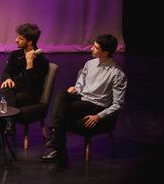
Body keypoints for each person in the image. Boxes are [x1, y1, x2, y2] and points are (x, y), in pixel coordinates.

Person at [41, 34, 126, 163]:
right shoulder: (90, 64)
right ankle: (56, 136)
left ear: (105, 52)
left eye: (96, 47)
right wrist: (76, 89)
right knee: (62, 94)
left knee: (65, 110)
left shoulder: (117, 74)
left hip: (96, 105)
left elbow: (118, 104)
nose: (91, 49)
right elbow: (80, 84)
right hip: (82, 99)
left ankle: (58, 147)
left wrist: (99, 116)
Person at [0, 23, 50, 134]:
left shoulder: (41, 61)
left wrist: (30, 63)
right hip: (15, 91)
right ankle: (9, 124)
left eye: (20, 38)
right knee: (5, 91)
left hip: (30, 95)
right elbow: (6, 72)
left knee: (2, 100)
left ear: (30, 42)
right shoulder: (15, 55)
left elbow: (30, 85)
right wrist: (7, 78)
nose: (16, 40)